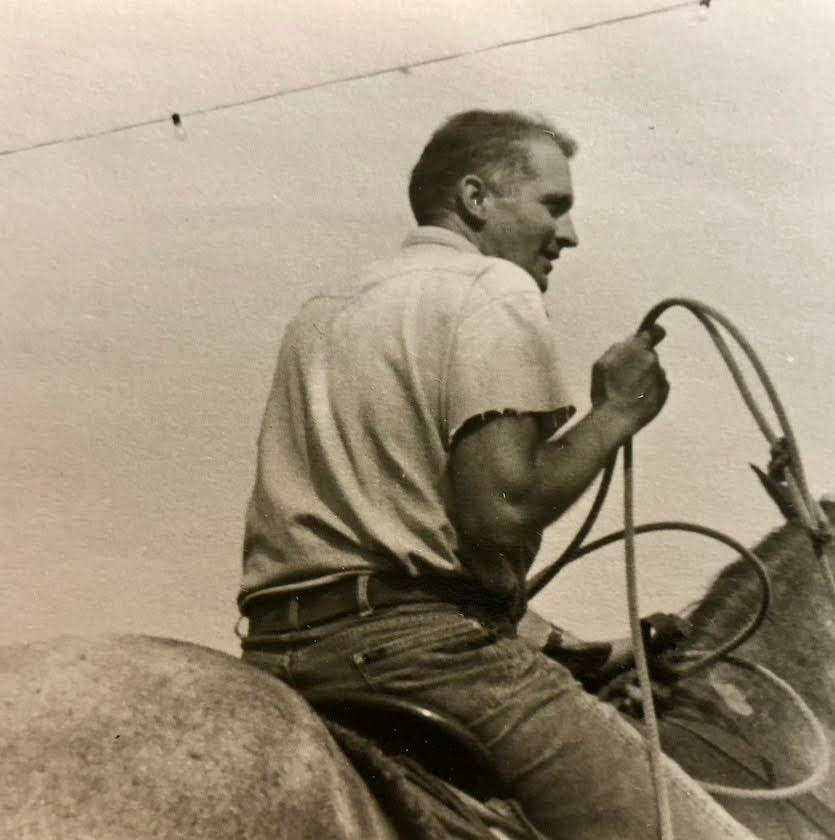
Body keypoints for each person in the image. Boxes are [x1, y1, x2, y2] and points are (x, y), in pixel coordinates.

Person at [238, 110, 756, 839]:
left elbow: (400, 535)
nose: (568, 235)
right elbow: (501, 514)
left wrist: (592, 650)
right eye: (554, 205)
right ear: (478, 199)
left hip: (278, 656)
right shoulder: (492, 290)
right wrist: (615, 415)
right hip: (421, 660)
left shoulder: (321, 312)